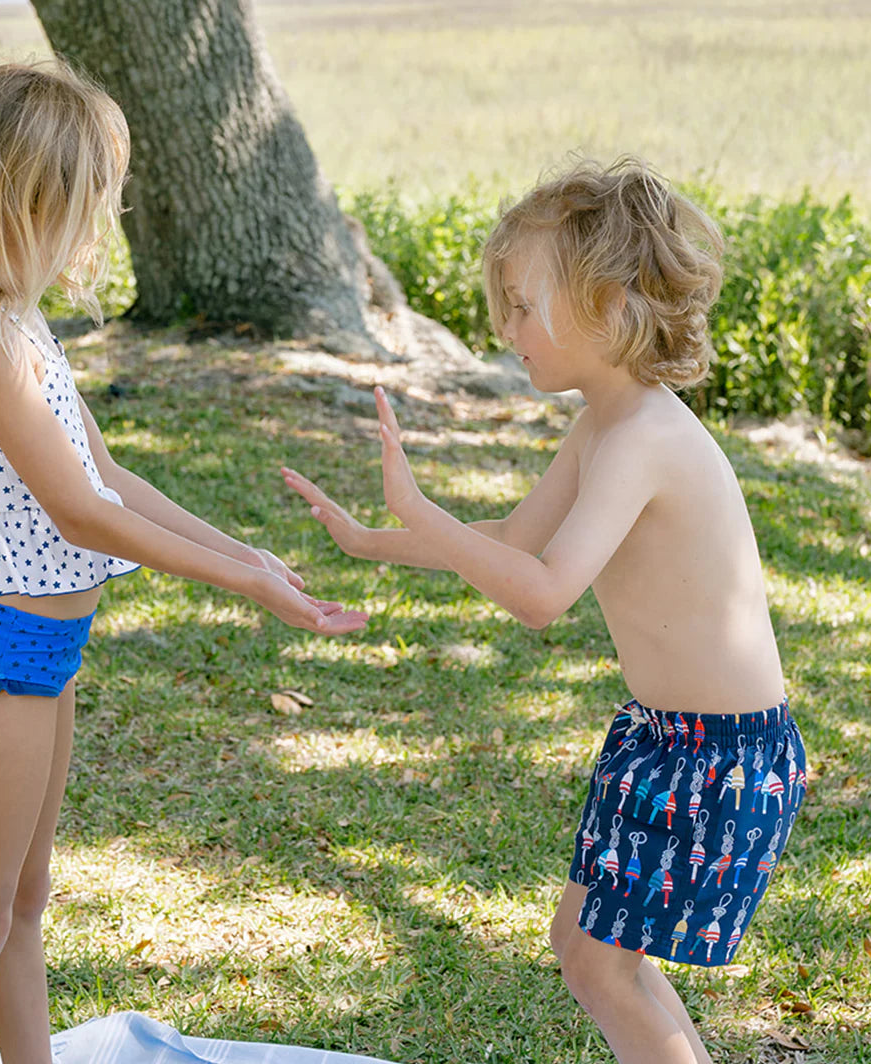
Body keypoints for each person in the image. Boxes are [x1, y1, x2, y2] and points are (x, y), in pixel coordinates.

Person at [0, 60, 367, 1064]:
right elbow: (77, 511)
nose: (92, 226)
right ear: (20, 199)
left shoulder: (19, 324)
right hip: (3, 652)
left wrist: (247, 552)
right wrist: (241, 584)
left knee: (25, 900)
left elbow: (108, 473)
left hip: (47, 652)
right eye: (80, 204)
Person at [282, 157, 806, 1064]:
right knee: (589, 956)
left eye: (524, 306)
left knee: (604, 967)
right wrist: (378, 539)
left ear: (606, 304)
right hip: (665, 739)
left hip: (722, 758)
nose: (507, 328)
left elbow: (541, 594)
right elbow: (520, 539)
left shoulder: (645, 435)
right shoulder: (605, 421)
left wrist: (419, 509)